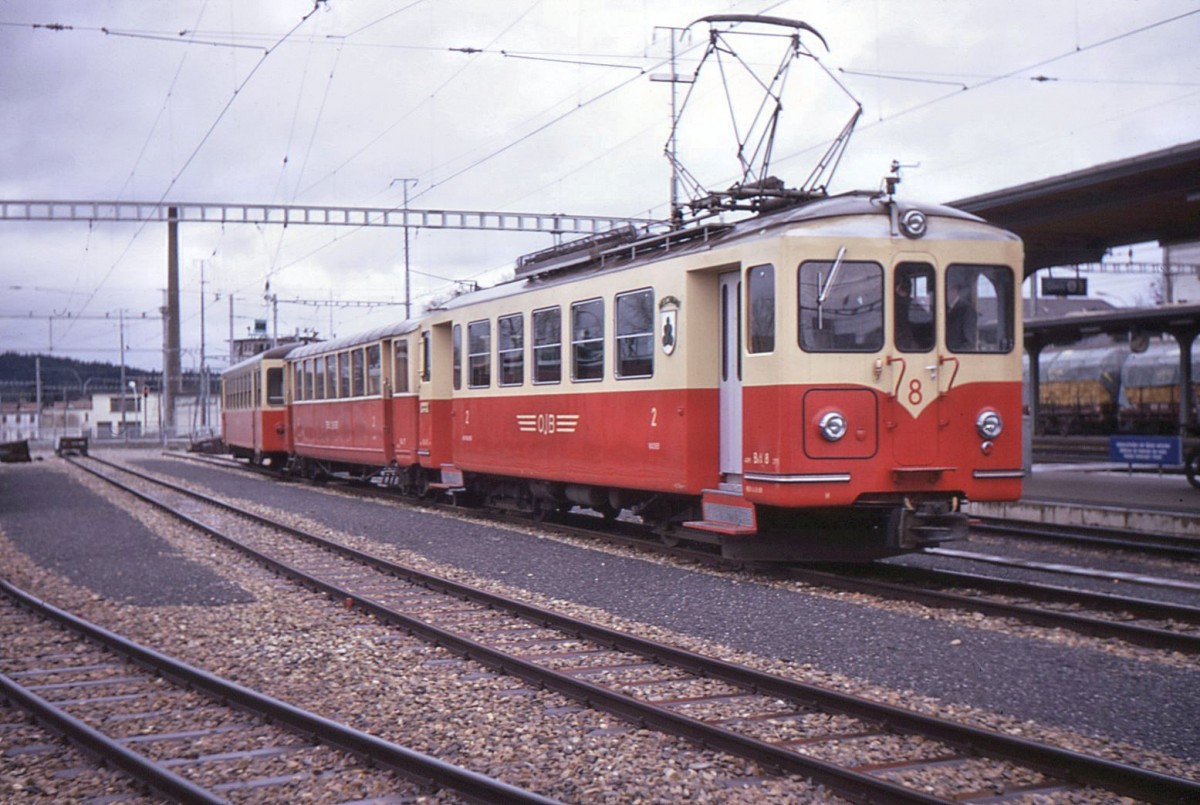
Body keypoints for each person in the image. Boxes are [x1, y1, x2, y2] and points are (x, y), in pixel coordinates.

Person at [946, 279, 978, 351]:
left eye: (946, 290)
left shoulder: (967, 310)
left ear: (954, 290)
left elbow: (969, 343)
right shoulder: (944, 308)